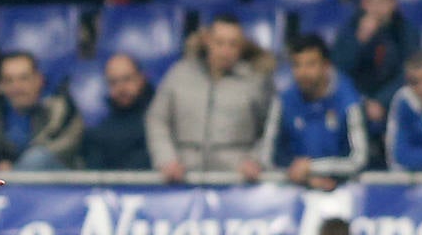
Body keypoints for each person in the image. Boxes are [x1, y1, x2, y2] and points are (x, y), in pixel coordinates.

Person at [145, 14, 274, 182]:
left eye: (233, 44)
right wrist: (166, 160)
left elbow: (271, 127)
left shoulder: (255, 81)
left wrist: (256, 160)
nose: (226, 51)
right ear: (207, 41)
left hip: (237, 177)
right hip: (183, 175)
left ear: (241, 47)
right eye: (219, 43)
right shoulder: (179, 74)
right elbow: (157, 119)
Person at [258, 35, 368, 189]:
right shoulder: (283, 101)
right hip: (294, 189)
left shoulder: (348, 101)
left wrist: (312, 167)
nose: (302, 72)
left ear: (326, 66)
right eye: (296, 65)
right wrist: (302, 177)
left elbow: (359, 159)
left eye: (310, 64)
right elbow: (267, 156)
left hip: (343, 190)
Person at [331, 0, 421, 142]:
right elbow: (338, 71)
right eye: (372, 1)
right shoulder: (349, 30)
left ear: (394, 3)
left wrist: (381, 101)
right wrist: (359, 40)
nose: (377, 8)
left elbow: (408, 73)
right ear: (363, 4)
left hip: (393, 101)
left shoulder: (407, 31)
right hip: (356, 101)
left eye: (383, 1)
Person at [0, 50, 82, 170]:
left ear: (39, 80)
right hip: (8, 182)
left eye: (24, 79)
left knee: (36, 159)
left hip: (58, 182)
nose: (16, 87)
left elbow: (62, 149)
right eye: (8, 80)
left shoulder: (61, 109)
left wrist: (13, 168)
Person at [81, 53, 154, 171]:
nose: (121, 88)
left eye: (127, 79)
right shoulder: (99, 133)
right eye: (113, 82)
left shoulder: (161, 122)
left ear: (142, 78)